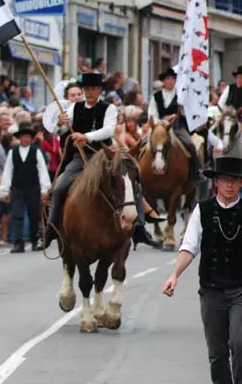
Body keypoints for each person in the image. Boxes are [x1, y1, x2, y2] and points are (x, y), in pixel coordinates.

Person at [162, 152, 242, 384]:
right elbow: (189, 246)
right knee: (217, 355)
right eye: (225, 179)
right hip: (211, 291)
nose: (230, 184)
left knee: (239, 344)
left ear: (240, 183)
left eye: (235, 180)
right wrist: (174, 275)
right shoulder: (202, 210)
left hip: (239, 289)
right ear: (215, 181)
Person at [43, 72, 148, 248]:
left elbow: (108, 130)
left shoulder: (109, 109)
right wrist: (60, 124)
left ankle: (139, 227)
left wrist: (86, 136)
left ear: (99, 90)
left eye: (94, 88)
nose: (90, 91)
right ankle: (51, 227)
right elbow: (58, 132)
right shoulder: (73, 108)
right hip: (79, 158)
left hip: (105, 157)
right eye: (87, 88)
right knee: (59, 187)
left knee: (130, 181)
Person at [0, 122, 51, 253]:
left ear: (31, 138)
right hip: (17, 188)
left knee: (34, 215)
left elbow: (42, 170)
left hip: (33, 188)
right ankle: (18, 243)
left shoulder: (36, 151)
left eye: (28, 137)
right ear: (19, 138)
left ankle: (34, 240)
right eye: (23, 137)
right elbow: (8, 171)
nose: (26, 139)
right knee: (17, 215)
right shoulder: (13, 152)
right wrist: (5, 189)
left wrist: (45, 189)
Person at [147, 67, 202, 182]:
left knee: (190, 145)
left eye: (173, 78)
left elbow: (189, 112)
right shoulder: (155, 97)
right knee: (142, 145)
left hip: (177, 127)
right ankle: (140, 173)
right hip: (159, 128)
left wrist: (180, 113)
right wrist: (163, 120)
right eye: (168, 78)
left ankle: (196, 171)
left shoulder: (181, 96)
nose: (170, 81)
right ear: (163, 81)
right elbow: (152, 115)